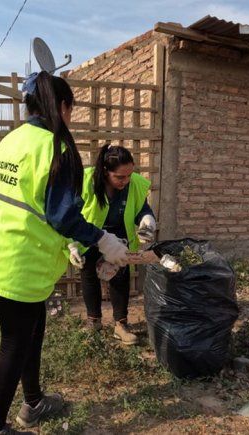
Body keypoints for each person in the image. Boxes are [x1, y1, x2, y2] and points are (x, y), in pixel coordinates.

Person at [0, 71, 129, 435]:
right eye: (70, 109)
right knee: (14, 343)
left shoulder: (12, 141)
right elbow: (62, 215)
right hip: (21, 263)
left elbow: (31, 204)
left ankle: (34, 401)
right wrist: (102, 239)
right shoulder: (56, 148)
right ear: (62, 106)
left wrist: (67, 243)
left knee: (33, 331)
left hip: (0, 252)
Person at [67, 144, 156, 345]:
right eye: (120, 177)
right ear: (106, 171)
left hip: (119, 239)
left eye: (129, 175)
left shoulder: (133, 184)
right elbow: (69, 215)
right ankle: (94, 321)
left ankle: (121, 325)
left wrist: (147, 220)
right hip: (91, 235)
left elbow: (142, 209)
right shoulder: (87, 182)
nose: (126, 181)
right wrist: (72, 245)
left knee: (120, 278)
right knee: (88, 275)